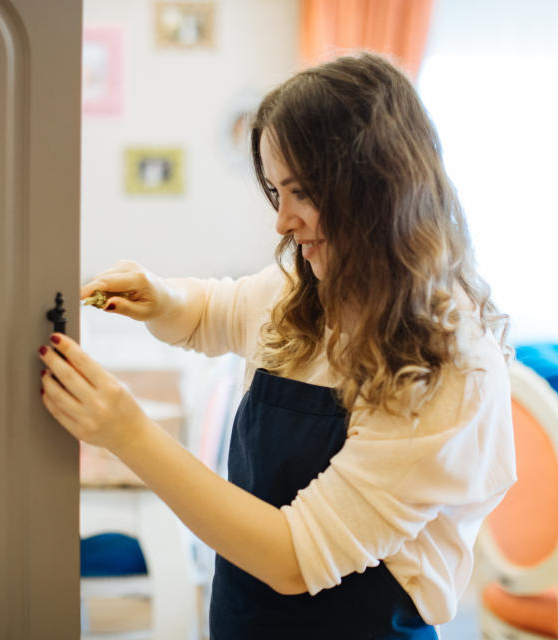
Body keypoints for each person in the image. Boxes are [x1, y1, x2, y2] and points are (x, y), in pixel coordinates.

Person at [38, 52, 517, 639]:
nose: (282, 221)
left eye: (303, 192)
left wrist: (128, 435)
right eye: (276, 192)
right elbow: (215, 309)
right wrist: (162, 298)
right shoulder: (305, 293)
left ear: (375, 189)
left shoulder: (448, 368)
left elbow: (294, 558)